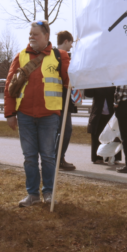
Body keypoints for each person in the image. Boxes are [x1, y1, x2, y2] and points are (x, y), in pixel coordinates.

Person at [5, 20, 70, 207]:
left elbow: (69, 80)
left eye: (35, 34)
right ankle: (32, 194)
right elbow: (10, 86)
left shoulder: (60, 56)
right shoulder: (21, 56)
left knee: (48, 156)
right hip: (25, 115)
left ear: (46, 35)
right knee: (30, 157)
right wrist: (10, 113)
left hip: (49, 115)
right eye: (30, 34)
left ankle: (48, 192)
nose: (31, 37)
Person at [57, 30, 77, 171]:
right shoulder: (63, 56)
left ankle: (56, 158)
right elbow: (69, 78)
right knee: (65, 129)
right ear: (66, 41)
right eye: (71, 43)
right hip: (63, 98)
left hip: (54, 99)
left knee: (58, 130)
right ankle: (59, 158)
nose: (71, 46)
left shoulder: (51, 55)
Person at [85, 87, 121, 164]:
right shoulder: (97, 83)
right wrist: (89, 82)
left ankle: (114, 156)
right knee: (96, 135)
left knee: (114, 136)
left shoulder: (113, 83)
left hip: (112, 113)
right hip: (98, 113)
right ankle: (97, 157)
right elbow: (88, 94)